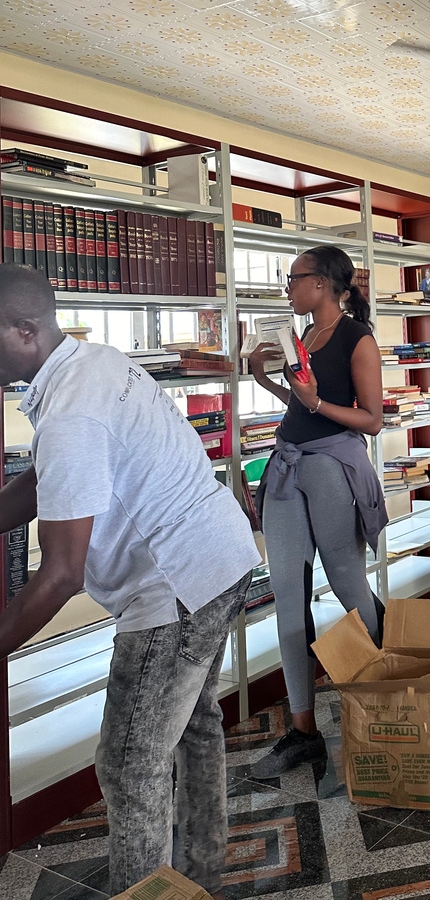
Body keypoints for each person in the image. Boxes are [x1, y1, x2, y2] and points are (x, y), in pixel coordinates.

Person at [0, 264, 260, 895]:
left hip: (175, 587)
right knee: (193, 724)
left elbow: (60, 575)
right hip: (220, 557)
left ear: (25, 331)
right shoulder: (90, 362)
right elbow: (44, 477)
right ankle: (197, 875)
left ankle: (151, 891)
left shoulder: (71, 412)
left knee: (128, 762)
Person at [247, 244, 386, 777]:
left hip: (332, 469)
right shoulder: (303, 335)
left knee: (349, 584)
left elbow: (371, 420)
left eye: (293, 278)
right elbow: (302, 408)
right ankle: (303, 731)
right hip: (288, 466)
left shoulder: (358, 339)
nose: (288, 288)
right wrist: (265, 381)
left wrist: (314, 401)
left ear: (323, 283)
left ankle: (385, 699)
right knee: (288, 594)